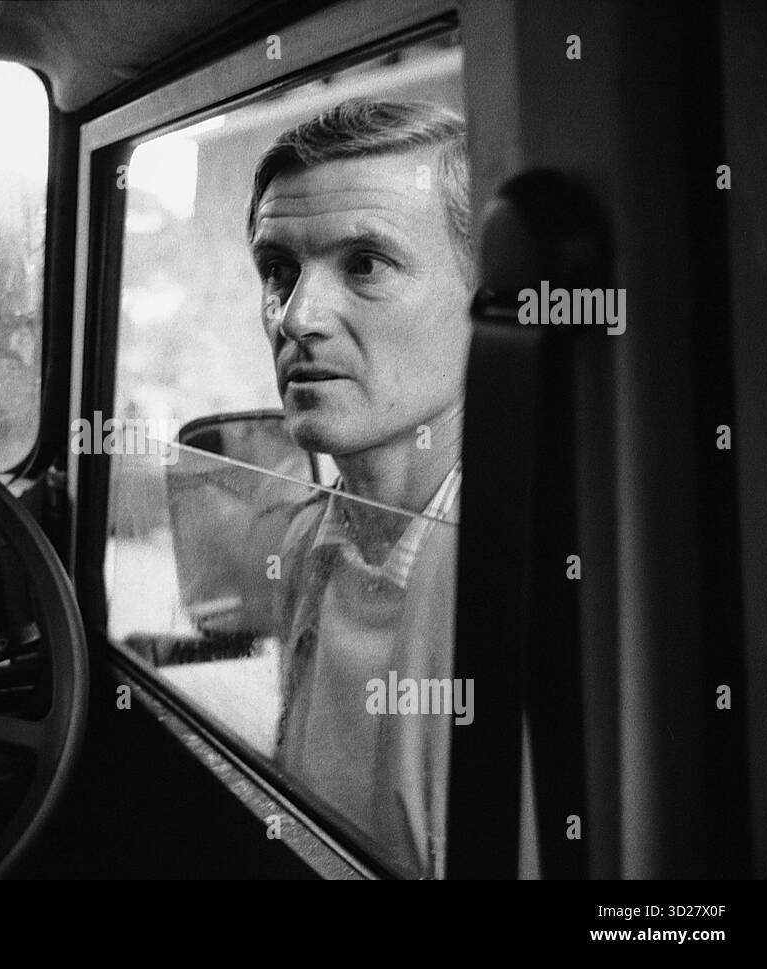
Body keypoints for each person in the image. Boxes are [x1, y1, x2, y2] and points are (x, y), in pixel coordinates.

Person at [246, 98, 471, 878]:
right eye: (278, 271)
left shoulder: (530, 581)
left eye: (365, 264)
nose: (297, 316)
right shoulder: (314, 540)